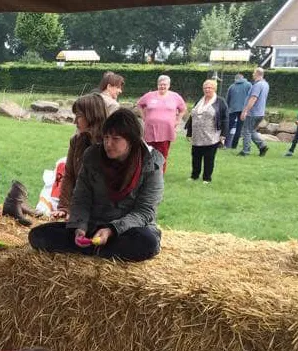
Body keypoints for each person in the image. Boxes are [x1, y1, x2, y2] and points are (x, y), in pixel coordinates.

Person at [28, 109, 163, 262]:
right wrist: (79, 227)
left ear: (131, 140)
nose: (108, 144)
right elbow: (81, 198)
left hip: (128, 229)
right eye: (106, 137)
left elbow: (144, 211)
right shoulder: (92, 156)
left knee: (147, 242)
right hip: (94, 224)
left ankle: (94, 248)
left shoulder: (151, 163)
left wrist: (111, 230)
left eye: (116, 139)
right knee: (38, 235)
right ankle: (98, 248)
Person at [52, 93, 107, 219]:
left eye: (79, 116)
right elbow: (69, 175)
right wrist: (64, 207)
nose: (75, 121)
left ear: (92, 116)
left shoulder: (109, 145)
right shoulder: (76, 141)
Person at [136, 75, 186, 173]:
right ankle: (148, 173)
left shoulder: (175, 96)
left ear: (169, 85)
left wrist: (177, 120)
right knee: (148, 152)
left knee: (162, 154)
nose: (162, 86)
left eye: (164, 84)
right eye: (160, 84)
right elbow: (139, 105)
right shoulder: (149, 95)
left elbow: (183, 109)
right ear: (157, 85)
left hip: (166, 131)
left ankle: (159, 174)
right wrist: (144, 117)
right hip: (150, 130)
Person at [184, 79, 228, 184]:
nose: (207, 89)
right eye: (205, 88)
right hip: (197, 135)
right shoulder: (199, 101)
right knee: (196, 157)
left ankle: (207, 178)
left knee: (209, 158)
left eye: (210, 87)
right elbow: (192, 117)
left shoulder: (220, 101)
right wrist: (189, 132)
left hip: (211, 136)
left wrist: (223, 134)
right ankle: (194, 176)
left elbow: (225, 119)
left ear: (214, 89)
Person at [239, 67, 269, 157]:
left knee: (246, 131)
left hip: (253, 113)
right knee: (251, 131)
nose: (252, 74)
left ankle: (245, 151)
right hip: (260, 113)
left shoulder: (257, 85)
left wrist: (245, 111)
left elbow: (253, 98)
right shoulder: (266, 84)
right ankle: (262, 146)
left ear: (257, 74)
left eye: (253, 73)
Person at [224, 72, 251, 149]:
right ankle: (234, 146)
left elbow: (227, 99)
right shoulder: (249, 85)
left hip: (232, 109)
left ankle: (225, 144)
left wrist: (227, 109)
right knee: (239, 128)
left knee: (228, 127)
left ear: (235, 79)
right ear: (243, 78)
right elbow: (251, 97)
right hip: (243, 109)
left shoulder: (232, 86)